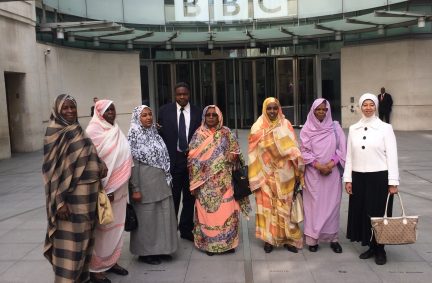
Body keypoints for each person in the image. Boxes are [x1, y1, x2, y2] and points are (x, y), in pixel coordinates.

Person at [42, 94, 107, 282]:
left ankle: (81, 278)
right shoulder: (54, 132)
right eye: (66, 108)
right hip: (70, 199)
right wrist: (60, 202)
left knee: (85, 243)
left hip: (89, 197)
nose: (70, 111)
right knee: (71, 246)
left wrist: (100, 164)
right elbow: (50, 171)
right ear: (57, 110)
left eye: (73, 108)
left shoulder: (77, 128)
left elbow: (87, 154)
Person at [343, 93, 399, 265]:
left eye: (371, 105)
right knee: (364, 213)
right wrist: (348, 179)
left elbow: (392, 156)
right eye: (365, 105)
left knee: (379, 214)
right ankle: (371, 246)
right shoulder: (353, 128)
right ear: (360, 107)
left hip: (379, 177)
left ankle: (380, 248)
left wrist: (393, 182)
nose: (368, 108)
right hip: (359, 177)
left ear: (376, 106)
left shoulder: (385, 128)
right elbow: (349, 156)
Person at [188, 105, 251, 256]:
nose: (211, 117)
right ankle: (209, 246)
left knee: (227, 211)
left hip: (225, 181)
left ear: (219, 117)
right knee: (207, 214)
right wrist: (207, 164)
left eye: (214, 115)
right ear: (204, 117)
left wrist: (233, 155)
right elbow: (191, 157)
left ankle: (228, 244)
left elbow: (237, 152)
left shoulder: (226, 132)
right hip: (205, 185)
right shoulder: (198, 134)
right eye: (208, 115)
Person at [248, 97, 305, 254]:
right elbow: (253, 152)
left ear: (279, 109)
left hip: (285, 175)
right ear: (264, 109)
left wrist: (298, 171)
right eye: (269, 108)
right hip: (265, 175)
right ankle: (269, 240)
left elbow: (294, 148)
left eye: (275, 108)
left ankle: (289, 239)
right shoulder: (257, 127)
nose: (272, 111)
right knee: (268, 208)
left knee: (286, 207)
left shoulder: (286, 125)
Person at [86, 100, 133, 283]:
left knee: (117, 228)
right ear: (99, 113)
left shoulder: (116, 129)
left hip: (120, 189)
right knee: (102, 230)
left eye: (113, 109)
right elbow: (90, 164)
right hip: (104, 191)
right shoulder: (92, 132)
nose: (111, 112)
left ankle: (112, 262)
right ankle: (96, 268)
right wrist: (105, 189)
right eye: (107, 110)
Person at [128, 105, 178, 265]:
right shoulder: (133, 136)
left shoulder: (154, 134)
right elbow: (132, 164)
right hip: (145, 186)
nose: (148, 118)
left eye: (150, 114)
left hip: (161, 184)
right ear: (137, 118)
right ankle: (145, 253)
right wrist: (135, 188)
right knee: (147, 220)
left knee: (162, 217)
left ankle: (162, 249)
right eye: (144, 115)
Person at [300, 98, 346, 253]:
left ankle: (333, 239)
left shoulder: (335, 127)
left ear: (328, 111)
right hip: (314, 174)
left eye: (324, 109)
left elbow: (342, 150)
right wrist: (318, 165)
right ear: (313, 111)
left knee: (333, 206)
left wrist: (330, 164)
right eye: (318, 109)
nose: (321, 112)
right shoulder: (307, 128)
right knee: (313, 207)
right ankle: (313, 239)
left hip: (331, 174)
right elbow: (304, 151)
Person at [158, 82, 202, 241]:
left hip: (192, 163)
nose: (182, 97)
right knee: (173, 198)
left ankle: (186, 229)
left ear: (189, 94)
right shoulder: (164, 111)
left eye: (185, 94)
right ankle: (171, 229)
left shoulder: (198, 112)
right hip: (173, 162)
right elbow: (160, 135)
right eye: (179, 94)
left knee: (190, 198)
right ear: (174, 95)